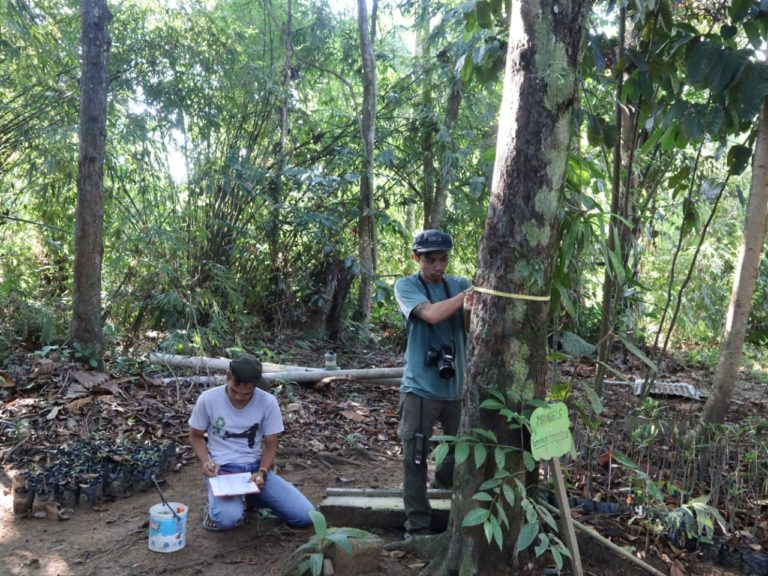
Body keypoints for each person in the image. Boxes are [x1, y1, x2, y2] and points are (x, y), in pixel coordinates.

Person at [394, 229, 473, 538]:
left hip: (456, 389)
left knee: (459, 454)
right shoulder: (407, 286)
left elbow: (468, 326)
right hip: (419, 389)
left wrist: (468, 306)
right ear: (417, 258)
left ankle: (443, 491)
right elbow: (430, 315)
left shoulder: (459, 285)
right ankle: (418, 527)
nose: (439, 267)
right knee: (415, 458)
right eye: (431, 260)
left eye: (444, 259)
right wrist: (464, 297)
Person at [188, 353, 314, 531]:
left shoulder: (267, 402)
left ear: (256, 385)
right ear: (228, 377)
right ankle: (216, 507)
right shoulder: (208, 399)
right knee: (227, 520)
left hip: (254, 469)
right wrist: (206, 462)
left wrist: (262, 471)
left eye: (247, 393)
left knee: (305, 516)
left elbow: (271, 444)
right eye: (234, 391)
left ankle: (253, 497)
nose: (239, 397)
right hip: (222, 469)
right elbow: (195, 436)